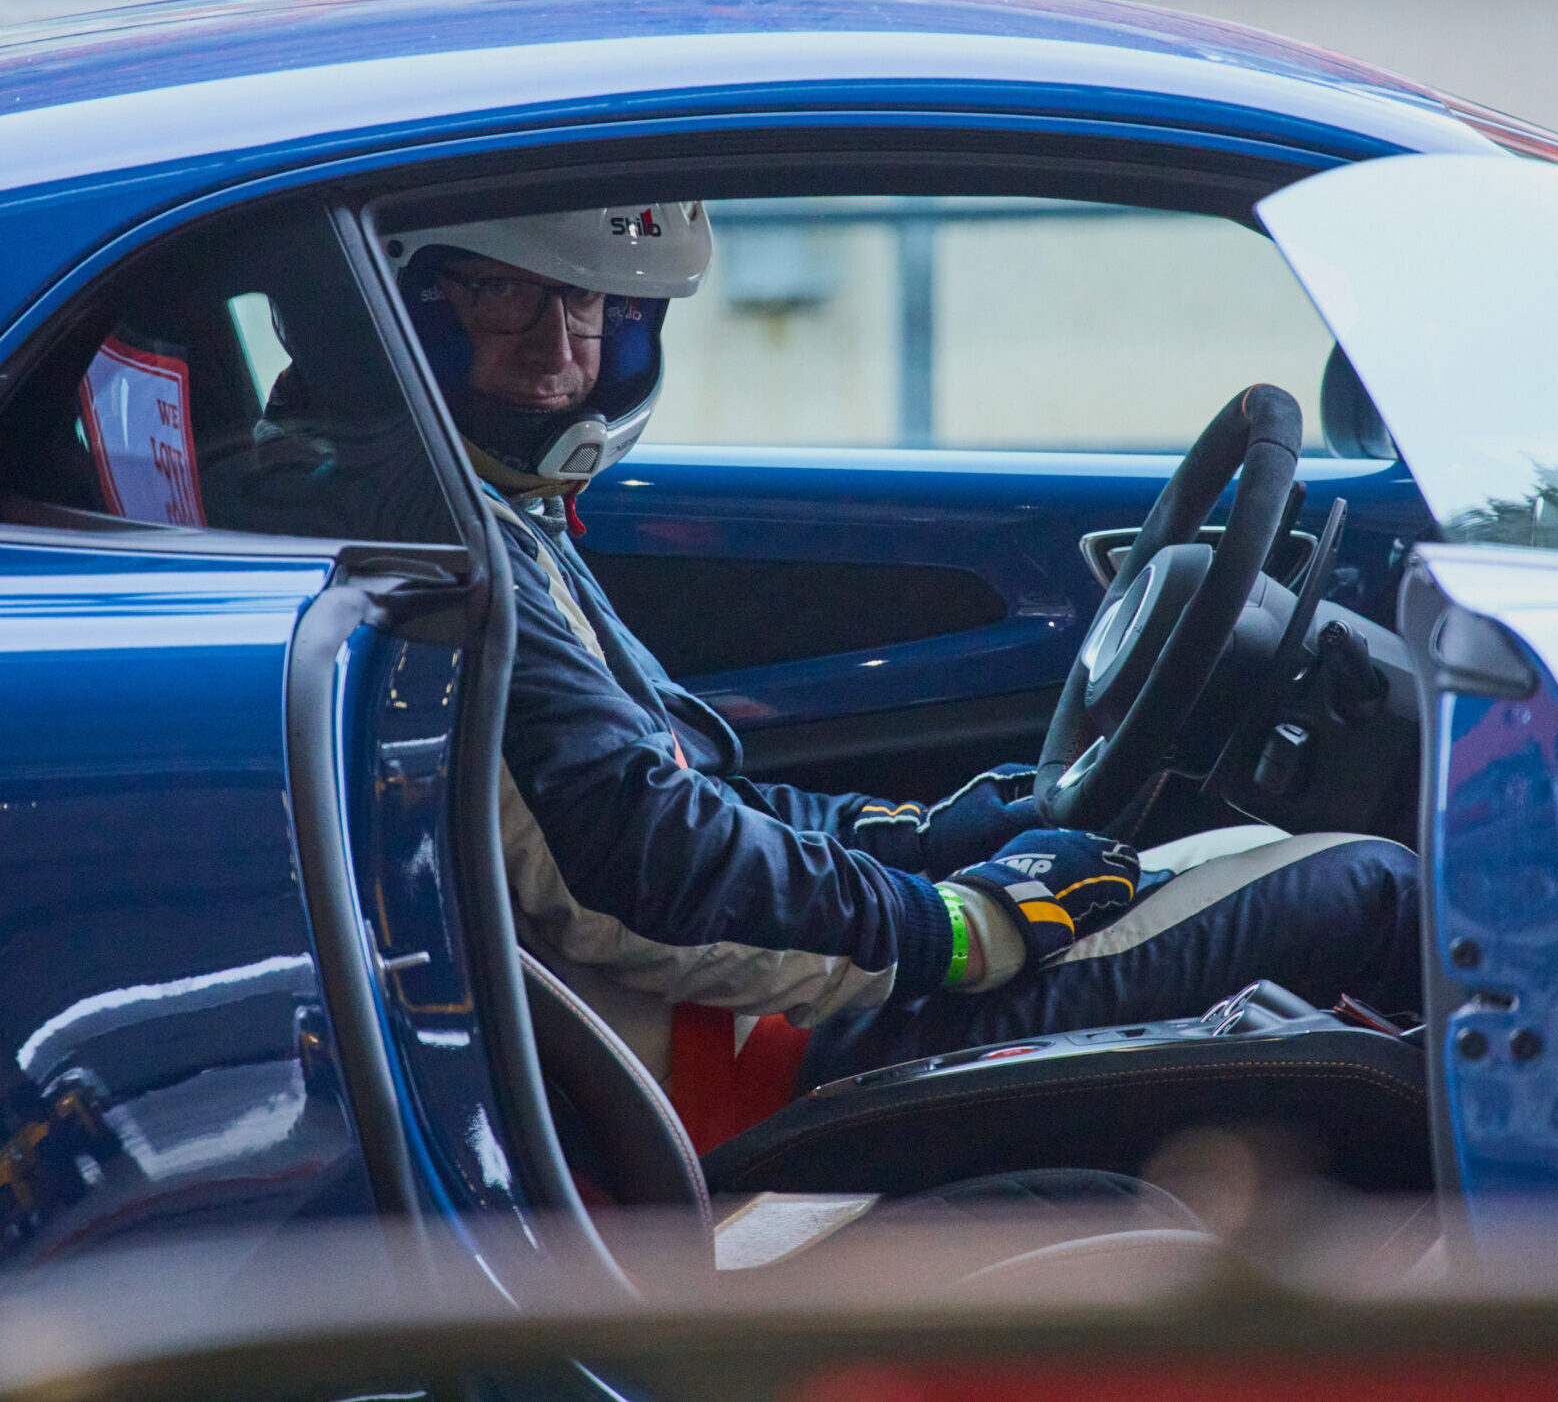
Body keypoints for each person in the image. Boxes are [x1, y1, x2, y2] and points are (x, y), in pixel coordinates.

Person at [387, 203, 1420, 1152]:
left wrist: (926, 838)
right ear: (415, 302)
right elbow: (645, 867)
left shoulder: (488, 515)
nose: (560, 351)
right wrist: (960, 925)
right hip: (738, 1064)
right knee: (1371, 891)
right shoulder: (449, 552)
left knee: (1266, 858)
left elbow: (692, 802)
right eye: (506, 294)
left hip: (729, 1018)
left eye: (588, 303)